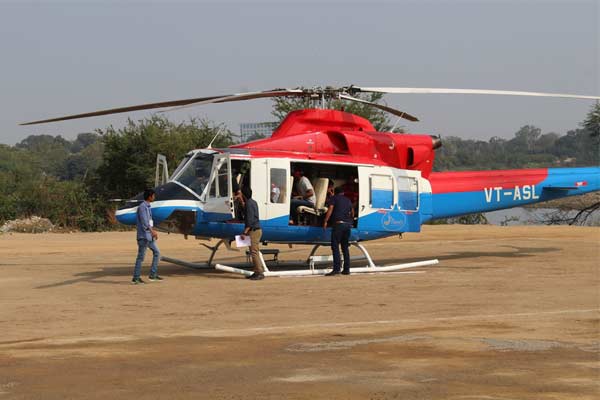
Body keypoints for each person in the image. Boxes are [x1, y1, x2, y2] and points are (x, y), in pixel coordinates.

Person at [132, 188, 162, 284]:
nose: (154, 197)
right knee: (141, 258)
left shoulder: (148, 207)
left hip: (149, 236)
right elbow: (145, 222)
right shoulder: (142, 207)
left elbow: (149, 222)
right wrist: (152, 231)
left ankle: (152, 275)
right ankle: (136, 278)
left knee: (157, 253)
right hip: (143, 237)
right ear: (150, 196)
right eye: (153, 195)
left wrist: (152, 232)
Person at [323, 186, 354, 276]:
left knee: (335, 246)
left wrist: (325, 221)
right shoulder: (348, 200)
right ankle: (346, 269)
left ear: (335, 192)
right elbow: (352, 211)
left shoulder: (334, 198)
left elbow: (330, 209)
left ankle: (336, 269)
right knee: (345, 247)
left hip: (338, 225)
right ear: (343, 193)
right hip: (347, 225)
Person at [241, 186, 264, 280]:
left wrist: (244, 233)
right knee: (254, 251)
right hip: (256, 230)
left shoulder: (248, 204)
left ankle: (259, 272)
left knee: (254, 252)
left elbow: (250, 221)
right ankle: (257, 271)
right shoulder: (252, 202)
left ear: (243, 194)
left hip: (253, 231)